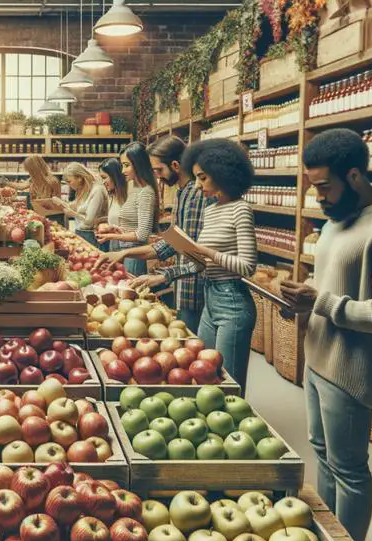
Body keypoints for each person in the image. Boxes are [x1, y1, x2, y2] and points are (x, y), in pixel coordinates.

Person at [279, 129, 372, 541]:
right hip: (319, 357)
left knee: (350, 470)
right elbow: (330, 285)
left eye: (324, 186)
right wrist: (303, 301)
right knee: (322, 457)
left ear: (355, 175)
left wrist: (320, 302)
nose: (318, 197)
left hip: (351, 370)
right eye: (313, 187)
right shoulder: (336, 221)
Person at [160, 139, 258, 388]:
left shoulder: (241, 210)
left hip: (232, 302)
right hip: (209, 298)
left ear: (221, 173)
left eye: (202, 177)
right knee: (201, 375)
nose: (198, 184)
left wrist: (208, 251)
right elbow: (201, 264)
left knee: (227, 385)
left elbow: (247, 266)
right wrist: (166, 275)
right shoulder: (211, 210)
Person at [98, 136, 208, 334]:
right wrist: (124, 254)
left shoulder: (195, 195)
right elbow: (171, 243)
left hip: (195, 287)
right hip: (183, 286)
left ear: (175, 165)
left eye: (159, 170)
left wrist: (163, 276)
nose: (157, 176)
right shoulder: (182, 193)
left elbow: (194, 253)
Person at [96, 142, 159, 276]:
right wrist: (113, 228)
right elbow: (130, 224)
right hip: (121, 250)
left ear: (139, 164)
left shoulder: (146, 192)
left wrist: (112, 236)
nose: (123, 171)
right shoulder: (131, 186)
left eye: (127, 165)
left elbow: (142, 235)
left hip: (134, 255)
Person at [59, 162, 108, 246]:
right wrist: (61, 204)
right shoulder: (81, 190)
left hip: (93, 236)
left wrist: (73, 214)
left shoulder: (97, 191)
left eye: (69, 181)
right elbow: (79, 206)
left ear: (79, 178)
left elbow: (89, 221)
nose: (68, 185)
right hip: (81, 233)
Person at [11, 153, 64, 219]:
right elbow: (21, 187)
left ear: (35, 170)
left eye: (30, 171)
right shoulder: (33, 181)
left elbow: (56, 204)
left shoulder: (53, 182)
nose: (29, 174)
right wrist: (6, 182)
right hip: (39, 215)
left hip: (53, 217)